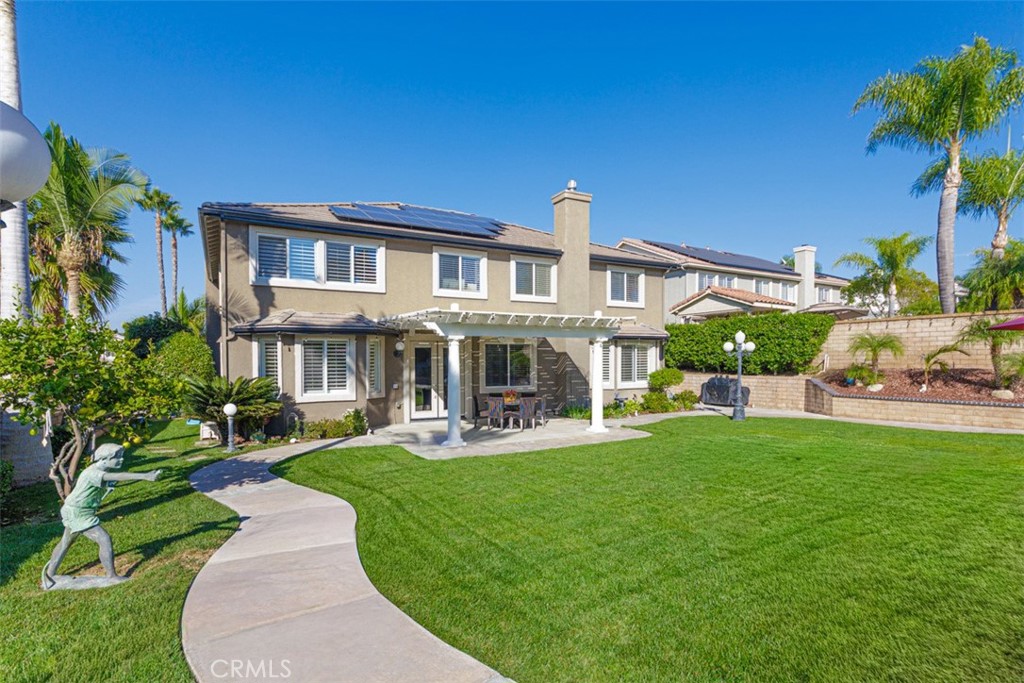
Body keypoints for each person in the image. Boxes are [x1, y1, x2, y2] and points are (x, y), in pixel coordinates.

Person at [41, 443, 161, 590]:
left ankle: (51, 573)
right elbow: (118, 476)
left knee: (66, 542)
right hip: (78, 512)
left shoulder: (98, 470)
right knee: (104, 539)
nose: (121, 460)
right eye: (117, 457)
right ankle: (112, 576)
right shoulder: (94, 473)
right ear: (104, 459)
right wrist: (144, 476)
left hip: (75, 509)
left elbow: (111, 479)